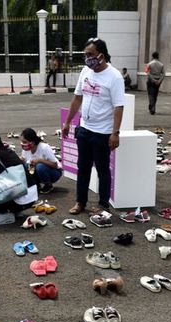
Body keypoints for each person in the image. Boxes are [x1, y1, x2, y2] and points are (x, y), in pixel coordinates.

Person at [60, 38, 125, 215]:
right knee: (83, 168)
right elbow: (77, 98)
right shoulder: (85, 72)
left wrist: (115, 133)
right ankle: (80, 202)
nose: (87, 59)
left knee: (103, 170)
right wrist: (68, 123)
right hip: (84, 129)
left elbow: (119, 106)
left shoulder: (114, 77)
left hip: (102, 132)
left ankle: (103, 205)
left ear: (102, 55)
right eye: (85, 55)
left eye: (91, 55)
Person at [20, 128, 61, 194]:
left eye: (25, 142)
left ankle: (48, 185)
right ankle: (35, 184)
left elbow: (55, 165)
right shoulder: (26, 149)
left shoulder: (44, 147)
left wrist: (40, 160)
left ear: (32, 142)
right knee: (25, 165)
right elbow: (25, 162)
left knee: (40, 166)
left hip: (54, 172)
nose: (23, 144)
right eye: (22, 142)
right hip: (37, 171)